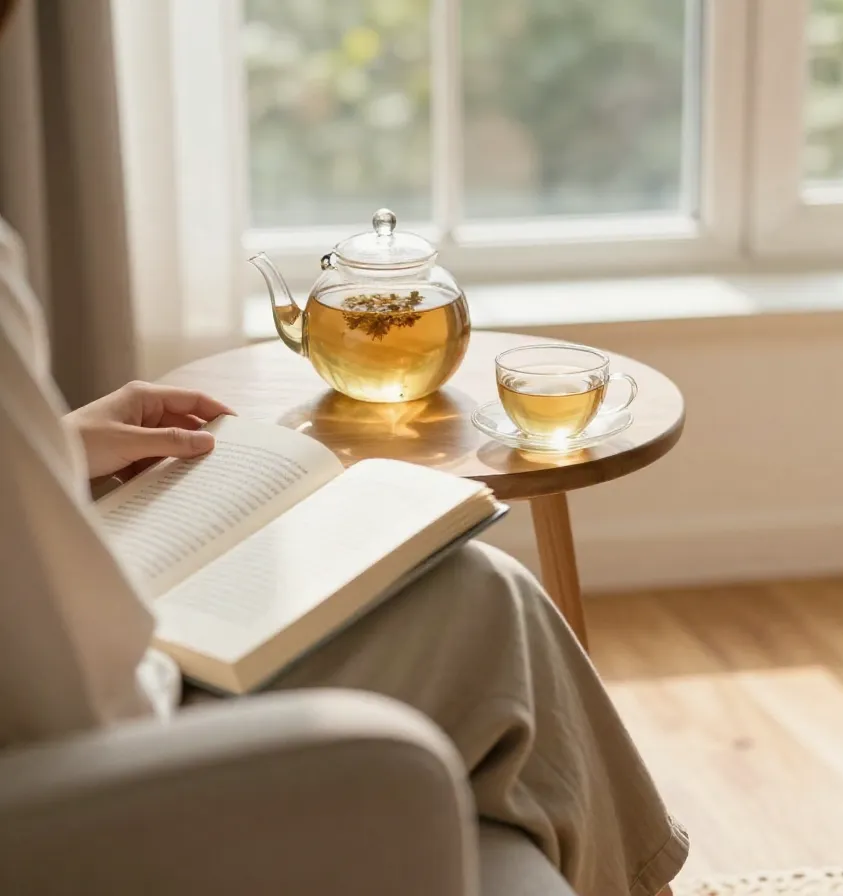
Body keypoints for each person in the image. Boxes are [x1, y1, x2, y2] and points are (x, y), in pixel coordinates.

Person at [0, 19, 686, 896]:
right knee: (491, 609)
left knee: (483, 588)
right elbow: (88, 704)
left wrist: (51, 447)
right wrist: (179, 626)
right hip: (94, 773)